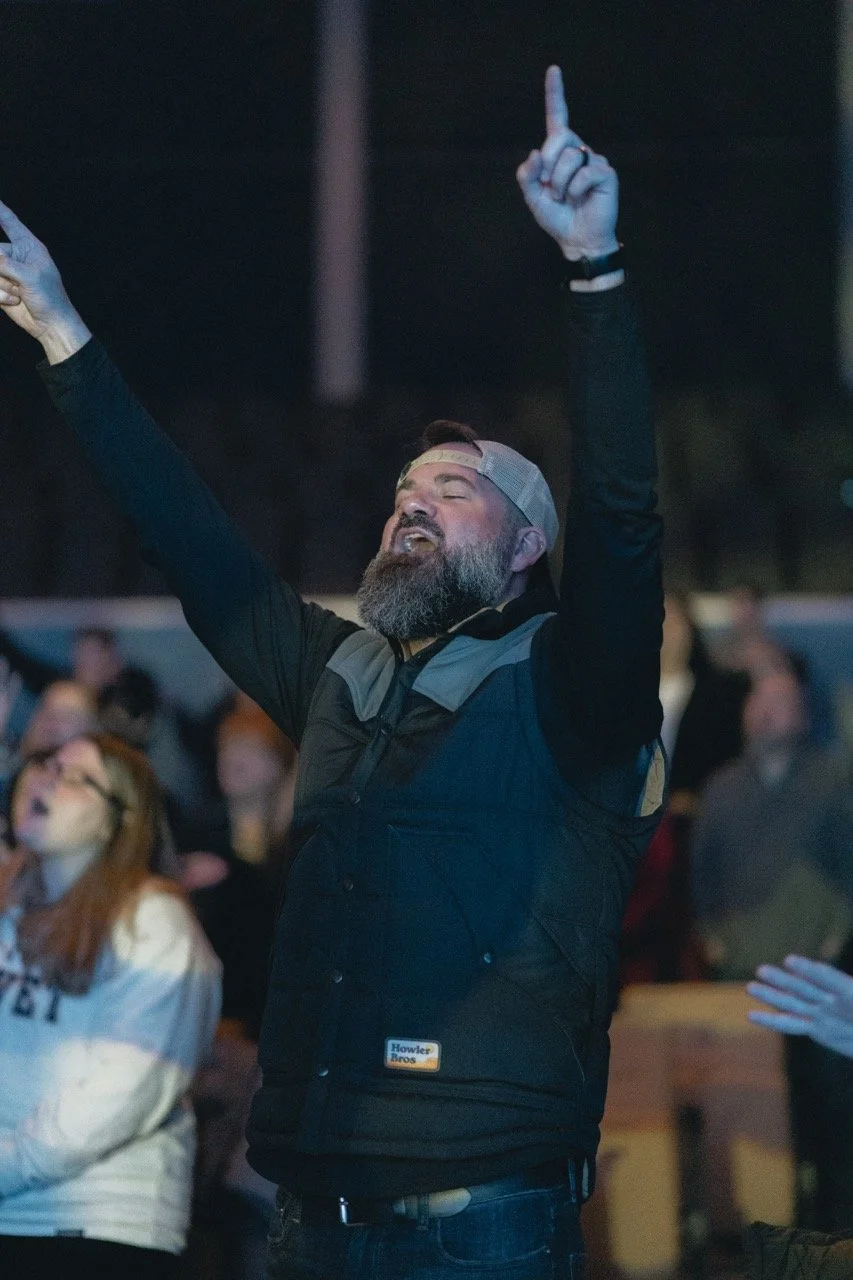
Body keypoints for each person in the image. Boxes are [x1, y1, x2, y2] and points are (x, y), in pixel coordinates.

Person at [0, 65, 665, 1279]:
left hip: (484, 1227)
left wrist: (595, 271)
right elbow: (188, 537)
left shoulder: (577, 688)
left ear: (525, 549)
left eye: (452, 492)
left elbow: (622, 516)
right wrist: (64, 335)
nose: (410, 504)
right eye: (404, 492)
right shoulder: (339, 673)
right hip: (309, 1216)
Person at [0, 734, 222, 1278]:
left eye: (75, 777)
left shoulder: (154, 922)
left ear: (114, 820)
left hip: (95, 1226)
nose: (48, 777)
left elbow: (118, 1095)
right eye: (47, 763)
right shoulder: (13, 909)